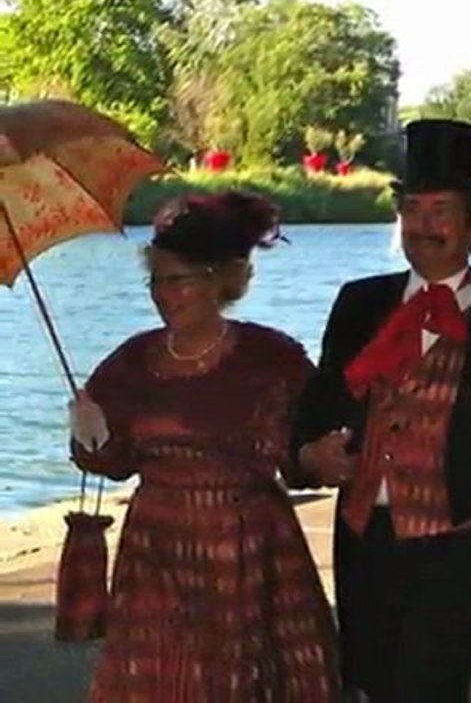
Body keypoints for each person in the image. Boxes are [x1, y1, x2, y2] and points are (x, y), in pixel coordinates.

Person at [292, 119, 471, 703]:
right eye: (412, 210)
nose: (423, 227)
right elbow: (317, 409)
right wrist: (309, 456)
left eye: (440, 211)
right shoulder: (360, 304)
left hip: (468, 558)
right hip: (369, 553)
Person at [68, 192, 341, 701]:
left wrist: (318, 457)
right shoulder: (129, 362)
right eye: (157, 280)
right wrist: (88, 436)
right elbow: (111, 462)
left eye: (179, 280)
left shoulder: (270, 356)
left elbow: (301, 454)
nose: (164, 294)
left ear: (220, 280)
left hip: (246, 549)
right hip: (155, 552)